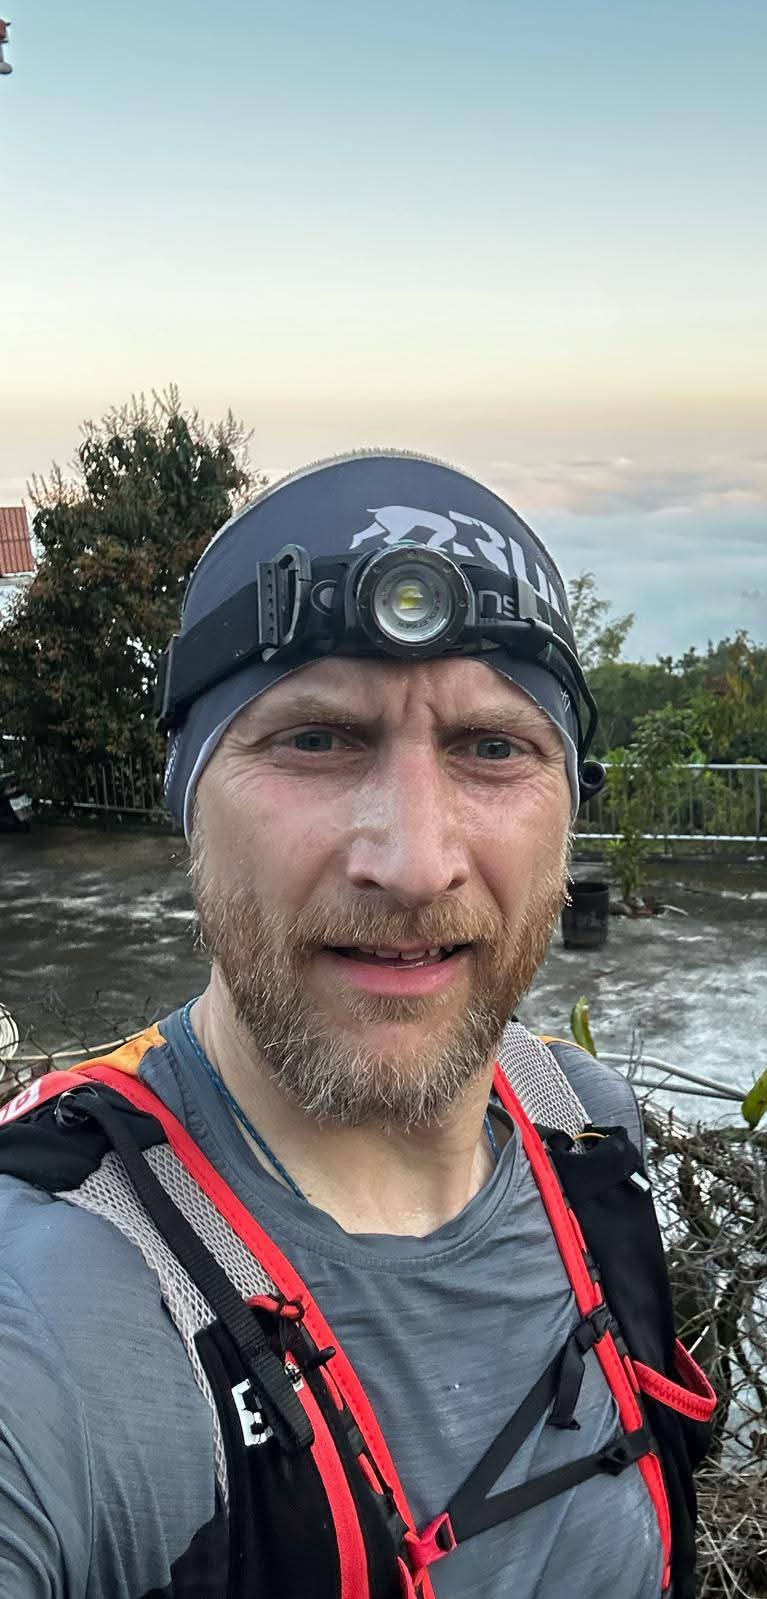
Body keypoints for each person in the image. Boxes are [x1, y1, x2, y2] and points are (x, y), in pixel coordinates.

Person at [0, 453, 714, 1599]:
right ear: (188, 799)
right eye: (318, 739)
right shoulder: (52, 1304)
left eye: (493, 748)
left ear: (569, 810)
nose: (415, 863)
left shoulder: (584, 1128)